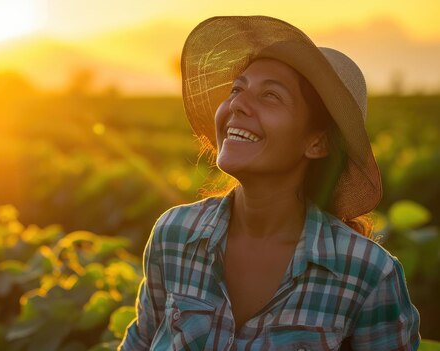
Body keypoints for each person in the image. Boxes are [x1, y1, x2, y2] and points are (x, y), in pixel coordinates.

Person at [119, 16, 420, 350]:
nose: (237, 104)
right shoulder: (174, 234)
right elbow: (141, 342)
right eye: (237, 89)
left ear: (317, 143)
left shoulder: (368, 274)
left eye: (270, 96)